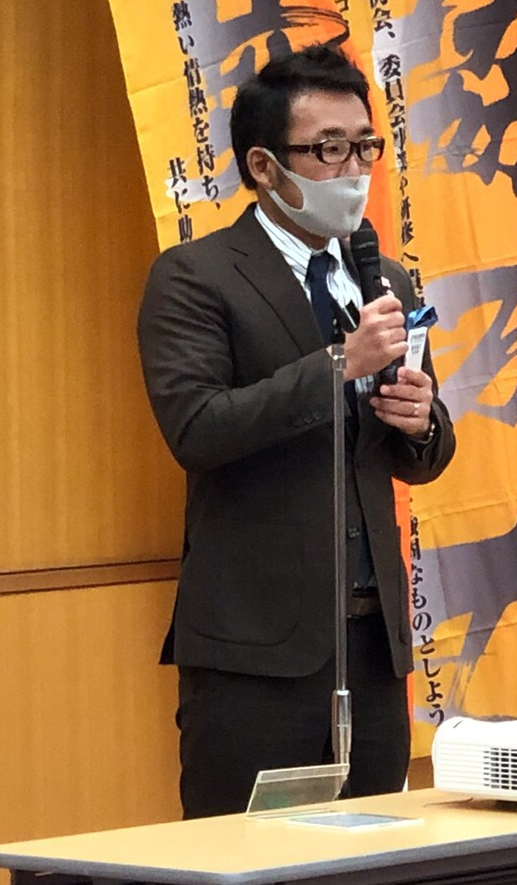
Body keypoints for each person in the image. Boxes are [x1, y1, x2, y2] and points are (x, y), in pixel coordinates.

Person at [138, 42, 457, 819]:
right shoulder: (196, 276)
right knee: (250, 856)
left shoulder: (383, 277)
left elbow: (419, 455)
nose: (353, 169)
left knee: (378, 858)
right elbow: (197, 428)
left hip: (372, 646)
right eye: (328, 149)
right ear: (263, 165)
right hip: (256, 654)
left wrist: (421, 422)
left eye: (365, 146)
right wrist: (338, 364)